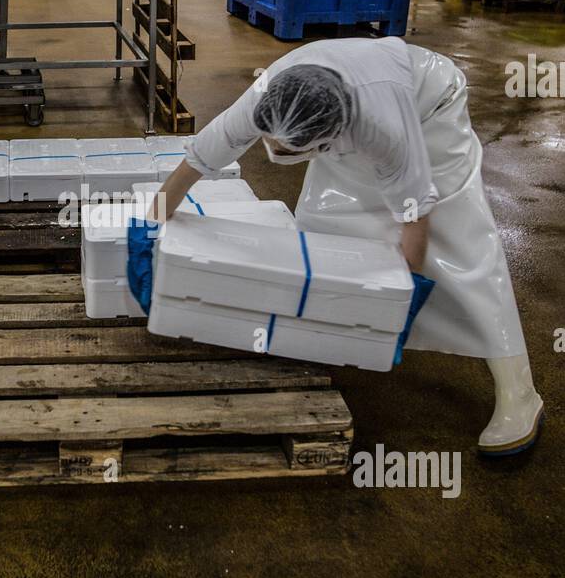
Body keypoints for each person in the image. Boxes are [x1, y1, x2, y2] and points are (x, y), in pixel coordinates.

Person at [149, 37, 544, 456]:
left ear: (329, 141)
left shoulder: (387, 131)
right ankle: (331, 333)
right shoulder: (271, 96)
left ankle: (519, 392)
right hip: (346, 100)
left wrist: (404, 294)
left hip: (428, 104)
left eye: (287, 151)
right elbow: (199, 160)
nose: (273, 152)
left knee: (459, 246)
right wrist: (150, 227)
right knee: (323, 221)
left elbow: (415, 212)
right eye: (270, 141)